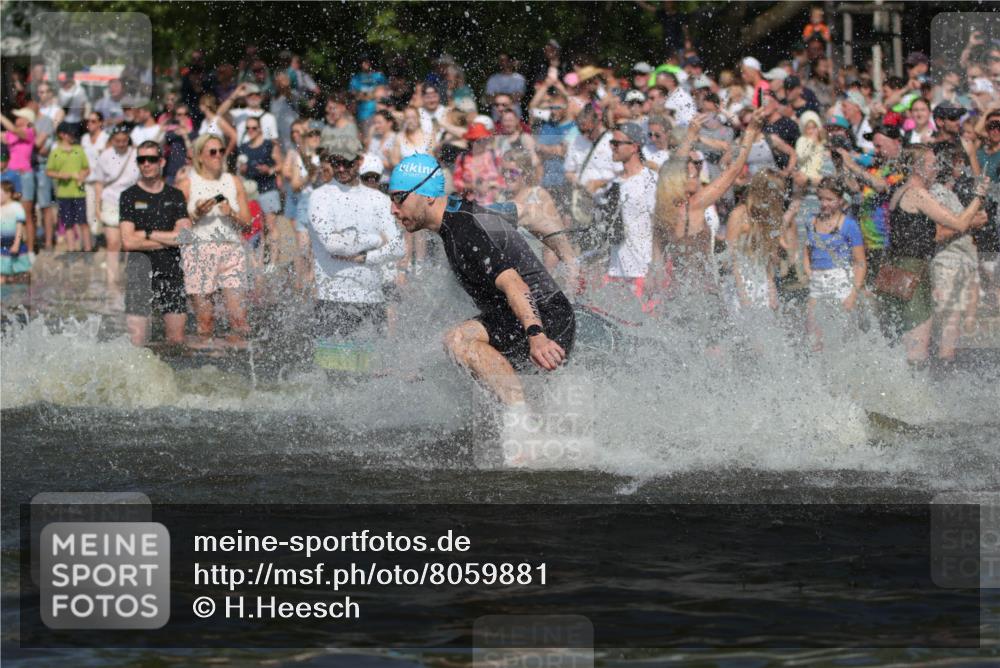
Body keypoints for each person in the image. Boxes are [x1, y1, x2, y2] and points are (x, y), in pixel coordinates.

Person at [388, 154, 575, 463]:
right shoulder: (465, 211)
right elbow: (528, 213)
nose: (394, 209)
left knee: (458, 340)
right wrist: (570, 259)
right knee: (451, 346)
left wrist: (537, 335)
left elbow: (515, 284)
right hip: (532, 315)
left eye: (399, 198)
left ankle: (521, 425)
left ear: (427, 194)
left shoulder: (464, 231)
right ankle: (524, 415)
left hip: (544, 322)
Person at [879, 145, 988, 365]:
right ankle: (915, 396)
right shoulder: (918, 194)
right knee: (917, 353)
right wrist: (979, 196)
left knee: (898, 342)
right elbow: (959, 223)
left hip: (894, 271)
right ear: (918, 168)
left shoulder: (898, 191)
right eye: (932, 164)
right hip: (913, 275)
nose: (937, 169)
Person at [308, 136, 403, 341]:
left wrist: (366, 258)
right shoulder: (320, 196)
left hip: (372, 299)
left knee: (377, 371)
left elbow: (398, 247)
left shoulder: (378, 199)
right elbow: (333, 245)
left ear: (359, 161)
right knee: (333, 371)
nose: (341, 168)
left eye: (347, 163)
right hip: (332, 297)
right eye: (335, 163)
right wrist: (376, 240)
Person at [176, 133, 253, 347]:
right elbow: (177, 231)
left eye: (221, 150)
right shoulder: (187, 184)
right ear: (200, 156)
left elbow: (248, 224)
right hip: (199, 251)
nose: (218, 155)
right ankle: (206, 367)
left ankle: (238, 369)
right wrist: (196, 214)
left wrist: (231, 213)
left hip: (232, 251)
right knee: (205, 322)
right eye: (212, 152)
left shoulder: (233, 181)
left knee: (239, 321)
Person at [119, 141, 192, 346]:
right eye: (141, 160)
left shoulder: (175, 195)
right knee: (137, 341)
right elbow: (128, 241)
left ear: (161, 161)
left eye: (151, 159)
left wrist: (148, 234)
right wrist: (169, 239)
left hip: (171, 273)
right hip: (138, 273)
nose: (146, 164)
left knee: (176, 341)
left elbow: (185, 238)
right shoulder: (129, 196)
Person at [802, 177, 866, 349]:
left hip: (841, 281)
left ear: (840, 200)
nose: (824, 204)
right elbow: (807, 250)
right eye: (821, 199)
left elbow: (860, 262)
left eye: (829, 199)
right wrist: (809, 271)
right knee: (813, 335)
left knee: (842, 337)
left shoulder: (849, 225)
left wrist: (853, 294)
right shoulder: (811, 221)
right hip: (817, 281)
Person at [500, 148, 577, 285]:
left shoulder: (539, 195)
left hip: (540, 272)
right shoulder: (502, 198)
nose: (507, 176)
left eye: (512, 171)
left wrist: (547, 277)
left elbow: (557, 238)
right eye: (503, 171)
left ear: (525, 173)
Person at [601, 123, 657, 306]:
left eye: (617, 143)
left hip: (641, 272)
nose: (612, 147)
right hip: (615, 272)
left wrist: (654, 270)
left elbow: (658, 227)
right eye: (612, 143)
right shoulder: (615, 182)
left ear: (634, 147)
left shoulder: (649, 180)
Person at [94, 126, 140, 287]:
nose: (121, 144)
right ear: (112, 140)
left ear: (128, 139)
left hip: (133, 202)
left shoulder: (136, 154)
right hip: (111, 200)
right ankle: (111, 283)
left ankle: (129, 280)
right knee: (113, 243)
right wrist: (97, 206)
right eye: (117, 141)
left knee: (129, 243)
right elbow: (98, 182)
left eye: (124, 141)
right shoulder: (105, 156)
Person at [237, 117, 283, 260]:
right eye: (248, 128)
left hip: (268, 188)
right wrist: (242, 169)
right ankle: (261, 261)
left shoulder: (269, 145)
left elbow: (281, 165)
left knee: (271, 225)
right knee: (257, 228)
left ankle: (274, 262)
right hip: (251, 192)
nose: (250, 131)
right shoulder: (243, 147)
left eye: (254, 128)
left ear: (260, 129)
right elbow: (239, 170)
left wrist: (269, 170)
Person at [46, 123, 91, 252]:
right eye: (70, 133)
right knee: (68, 223)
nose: (73, 136)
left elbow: (86, 168)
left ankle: (87, 249)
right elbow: (49, 171)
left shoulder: (79, 149)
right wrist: (61, 175)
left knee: (83, 222)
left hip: (79, 193)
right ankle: (71, 249)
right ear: (61, 135)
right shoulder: (56, 152)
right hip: (64, 194)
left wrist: (82, 174)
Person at [1, 108, 36, 253]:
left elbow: (14, 129)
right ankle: (12, 245)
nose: (16, 118)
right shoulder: (11, 134)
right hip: (10, 175)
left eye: (19, 116)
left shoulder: (29, 132)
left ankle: (29, 250)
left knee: (26, 214)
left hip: (24, 176)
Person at [453, 123, 504, 206]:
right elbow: (456, 182)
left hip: (495, 203)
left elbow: (504, 179)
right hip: (470, 204)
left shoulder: (495, 155)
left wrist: (491, 186)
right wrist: (473, 187)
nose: (480, 143)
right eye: (475, 140)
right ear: (470, 142)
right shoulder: (462, 157)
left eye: (482, 140)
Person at [0, 181, 31, 283]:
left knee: (21, 273)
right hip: (2, 247)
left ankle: (23, 295)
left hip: (16, 246)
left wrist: (16, 244)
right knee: (2, 273)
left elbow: (19, 228)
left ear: (8, 194)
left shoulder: (16, 207)